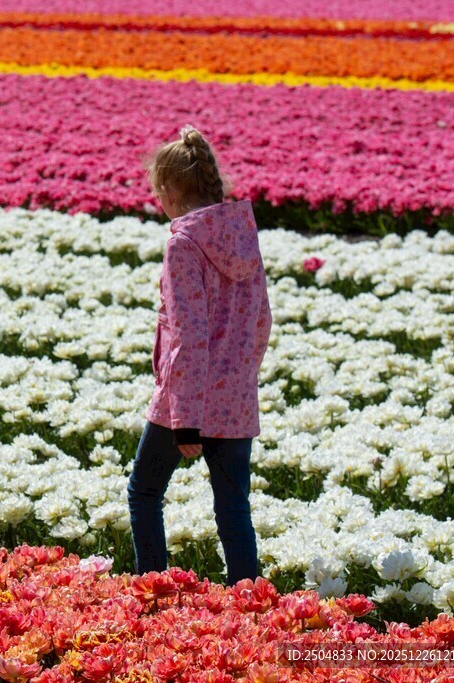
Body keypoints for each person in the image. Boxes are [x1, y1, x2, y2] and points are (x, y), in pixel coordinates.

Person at [127, 125, 272, 584]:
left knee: (144, 492)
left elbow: (187, 334)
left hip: (184, 403)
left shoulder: (183, 243)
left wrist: (186, 418)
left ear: (170, 190)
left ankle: (154, 593)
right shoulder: (242, 234)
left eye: (157, 191)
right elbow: (262, 320)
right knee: (233, 507)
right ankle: (248, 604)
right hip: (236, 399)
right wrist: (241, 379)